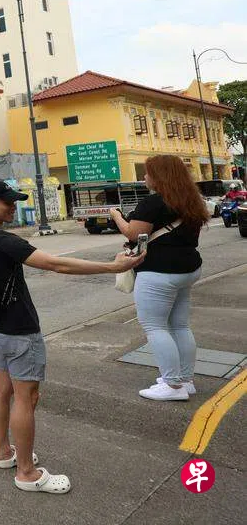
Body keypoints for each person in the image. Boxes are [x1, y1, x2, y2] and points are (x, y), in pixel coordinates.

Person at [0, 181, 143, 495]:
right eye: (6, 202)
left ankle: (3, 452)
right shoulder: (3, 240)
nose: (13, 207)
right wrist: (112, 266)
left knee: (2, 389)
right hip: (19, 330)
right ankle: (27, 472)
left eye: (13, 201)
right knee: (27, 397)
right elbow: (55, 264)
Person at [110, 154, 208, 401]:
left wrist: (117, 216)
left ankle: (173, 386)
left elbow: (134, 234)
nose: (145, 177)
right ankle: (185, 380)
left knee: (155, 327)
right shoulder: (191, 200)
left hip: (159, 272)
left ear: (159, 176)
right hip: (187, 268)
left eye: (148, 173)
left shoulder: (152, 203)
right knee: (180, 325)